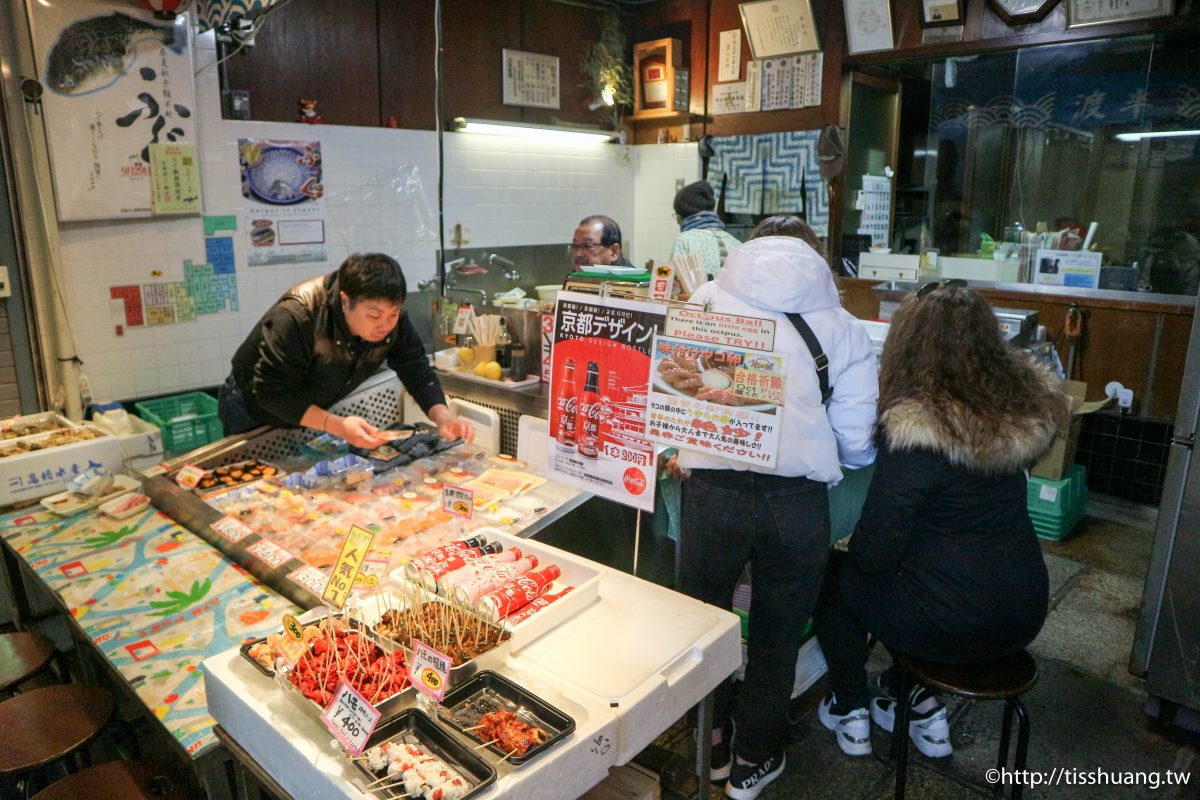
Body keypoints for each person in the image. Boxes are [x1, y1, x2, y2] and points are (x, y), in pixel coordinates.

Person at [667, 216, 878, 799]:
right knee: (778, 633)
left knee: (702, 623)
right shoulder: (843, 327)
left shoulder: (706, 301)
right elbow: (858, 442)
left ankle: (707, 741)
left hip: (712, 493)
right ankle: (752, 760)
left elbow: (675, 388)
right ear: (815, 258)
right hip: (795, 503)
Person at [813, 280, 1069, 760]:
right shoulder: (1016, 411)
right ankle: (912, 697)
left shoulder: (916, 429)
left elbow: (874, 551)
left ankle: (851, 708)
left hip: (949, 625)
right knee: (927, 577)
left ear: (905, 344)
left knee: (835, 577)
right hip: (1025, 607)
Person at [219, 253, 474, 449]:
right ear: (344, 301)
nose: (385, 325)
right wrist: (335, 425)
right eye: (374, 315)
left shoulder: (391, 320)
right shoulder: (298, 317)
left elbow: (414, 366)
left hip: (311, 407)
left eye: (393, 313)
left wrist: (443, 416)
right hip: (251, 407)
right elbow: (270, 391)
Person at [669, 181, 743, 279]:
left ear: (682, 216)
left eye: (676, 215)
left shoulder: (685, 240)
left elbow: (672, 279)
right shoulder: (736, 242)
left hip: (698, 294)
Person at [571, 215, 636, 270]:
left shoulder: (631, 283)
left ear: (614, 252)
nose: (578, 254)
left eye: (588, 245)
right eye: (575, 245)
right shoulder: (575, 278)